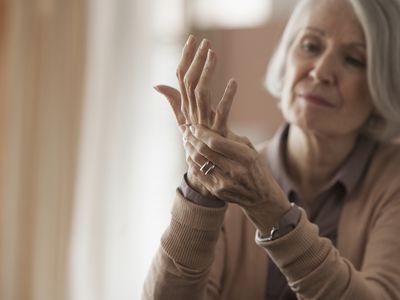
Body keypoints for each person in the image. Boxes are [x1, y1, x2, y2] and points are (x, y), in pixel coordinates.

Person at [142, 0, 400, 298]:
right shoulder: (229, 176)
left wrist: (272, 212)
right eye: (311, 45)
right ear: (286, 58)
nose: (321, 71)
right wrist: (199, 192)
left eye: (353, 60)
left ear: (384, 83)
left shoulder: (393, 180)